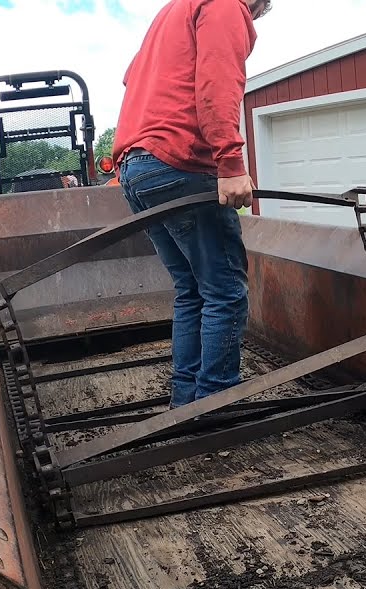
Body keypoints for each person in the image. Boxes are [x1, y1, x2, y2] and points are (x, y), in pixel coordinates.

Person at [114, 0, 271, 408]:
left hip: (137, 167)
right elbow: (218, 83)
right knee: (225, 291)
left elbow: (132, 79)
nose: (252, 20)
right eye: (257, 13)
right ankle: (215, 406)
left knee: (192, 290)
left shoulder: (171, 14)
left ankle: (186, 403)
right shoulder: (225, 5)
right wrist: (230, 163)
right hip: (178, 163)